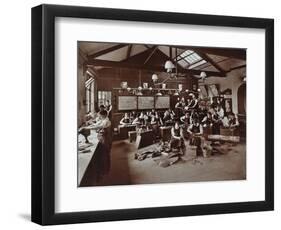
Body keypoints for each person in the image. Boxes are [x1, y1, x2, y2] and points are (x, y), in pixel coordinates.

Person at [79, 110, 112, 181]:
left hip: (105, 139)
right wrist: (88, 125)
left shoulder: (106, 121)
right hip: (102, 138)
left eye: (99, 115)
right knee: (102, 154)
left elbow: (97, 126)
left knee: (104, 155)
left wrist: (85, 128)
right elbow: (96, 124)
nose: (98, 116)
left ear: (103, 115)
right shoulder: (103, 120)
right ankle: (103, 169)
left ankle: (105, 170)